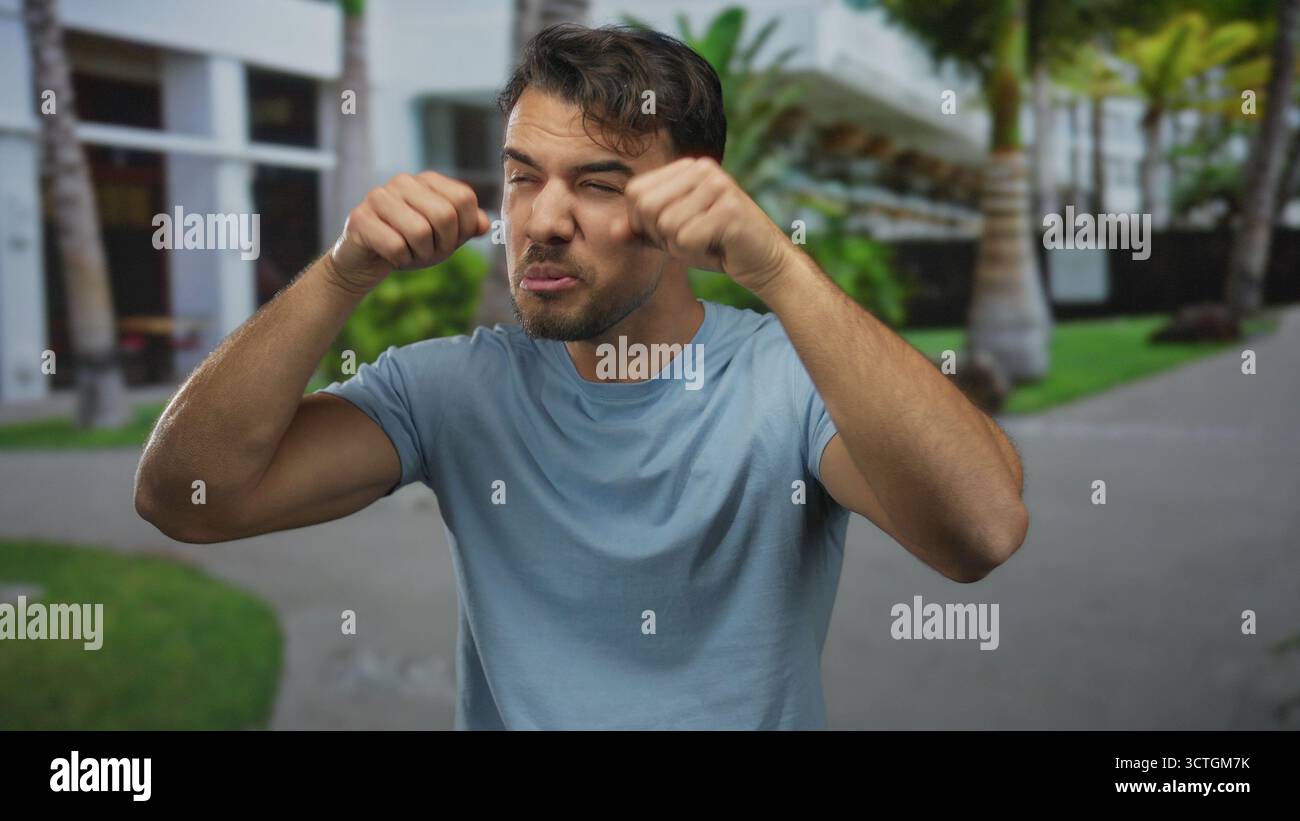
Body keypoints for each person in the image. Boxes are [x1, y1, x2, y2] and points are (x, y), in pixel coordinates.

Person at [135, 24, 1027, 729]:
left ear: (694, 198)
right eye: (524, 177)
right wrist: (341, 274)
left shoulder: (786, 379)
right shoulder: (450, 389)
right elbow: (188, 498)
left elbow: (980, 531)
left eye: (599, 184)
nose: (543, 219)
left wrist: (781, 271)